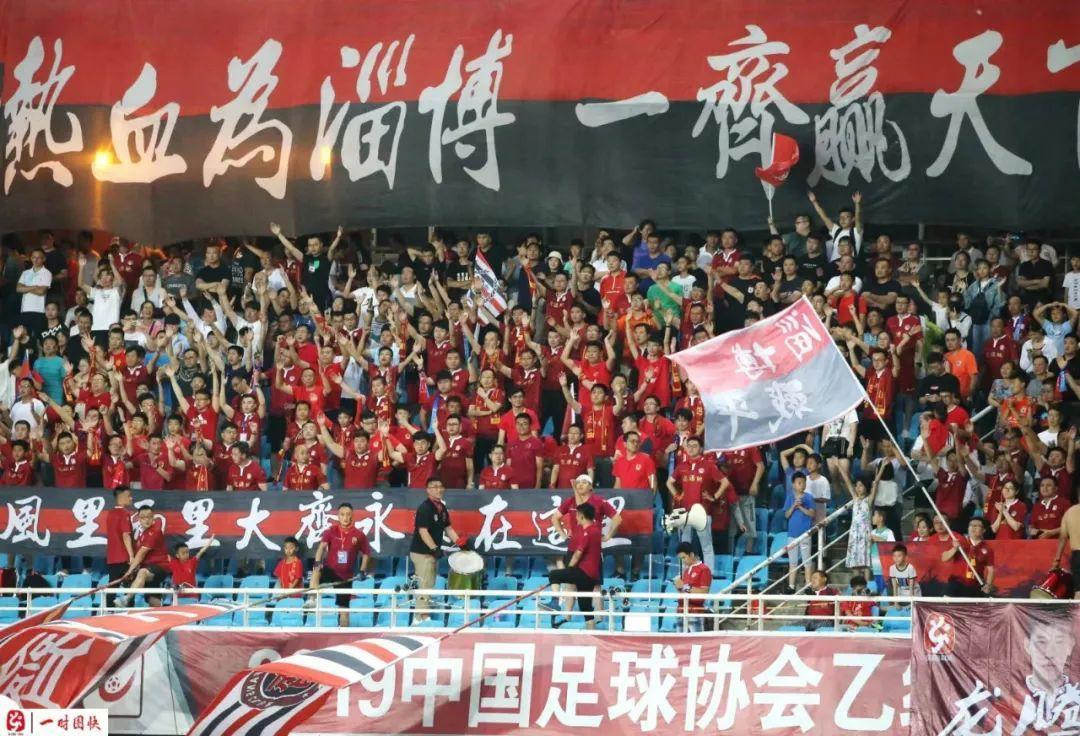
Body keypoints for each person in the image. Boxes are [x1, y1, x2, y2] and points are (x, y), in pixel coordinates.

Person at [409, 478, 465, 622]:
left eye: (440, 486)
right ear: (428, 490)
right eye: (434, 487)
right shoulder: (424, 508)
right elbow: (423, 531)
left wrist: (460, 543)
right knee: (425, 584)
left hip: (432, 553)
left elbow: (448, 528)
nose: (438, 489)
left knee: (429, 583)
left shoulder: (442, 508)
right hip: (422, 552)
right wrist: (434, 548)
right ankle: (421, 617)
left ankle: (421, 615)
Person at [310, 502, 372, 626]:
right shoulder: (331, 531)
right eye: (342, 514)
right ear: (338, 516)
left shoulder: (359, 535)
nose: (345, 517)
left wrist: (362, 570)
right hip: (331, 570)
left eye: (348, 514)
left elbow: (367, 553)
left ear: (352, 516)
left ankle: (344, 632)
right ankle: (312, 599)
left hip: (346, 577)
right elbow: (321, 547)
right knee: (316, 569)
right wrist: (317, 561)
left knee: (344, 610)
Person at [547, 503, 603, 629]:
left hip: (584, 573)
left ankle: (555, 602)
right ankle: (592, 632)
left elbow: (577, 553)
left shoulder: (588, 532)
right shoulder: (596, 530)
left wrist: (569, 569)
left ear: (582, 516)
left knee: (554, 575)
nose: (576, 517)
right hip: (592, 575)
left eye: (577, 515)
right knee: (585, 606)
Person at [120, 506, 170, 607]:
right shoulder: (142, 533)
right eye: (143, 517)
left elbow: (141, 554)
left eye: (149, 517)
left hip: (160, 567)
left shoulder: (155, 531)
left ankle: (126, 599)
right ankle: (162, 614)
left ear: (153, 518)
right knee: (153, 599)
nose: (146, 520)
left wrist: (130, 571)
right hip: (148, 569)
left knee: (141, 573)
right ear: (139, 519)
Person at [941, 517, 994, 597]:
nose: (973, 527)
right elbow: (944, 558)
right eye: (971, 525)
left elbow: (991, 570)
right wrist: (954, 548)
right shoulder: (959, 541)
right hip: (956, 583)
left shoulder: (987, 549)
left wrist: (988, 585)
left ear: (983, 530)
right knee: (946, 602)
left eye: (976, 525)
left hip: (975, 585)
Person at [783, 472, 816, 593]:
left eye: (804, 483)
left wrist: (801, 507)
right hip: (792, 534)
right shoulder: (789, 497)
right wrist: (794, 506)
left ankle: (808, 586)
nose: (802, 485)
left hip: (805, 534)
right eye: (799, 483)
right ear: (793, 484)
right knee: (793, 562)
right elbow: (786, 515)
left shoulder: (809, 497)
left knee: (807, 561)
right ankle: (791, 586)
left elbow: (812, 514)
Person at [672, 541, 713, 632]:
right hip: (681, 611)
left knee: (695, 639)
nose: (682, 561)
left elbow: (704, 593)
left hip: (694, 612)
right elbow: (685, 590)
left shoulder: (704, 569)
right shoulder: (686, 571)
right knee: (680, 640)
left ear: (691, 555)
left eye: (684, 557)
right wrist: (679, 587)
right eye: (681, 559)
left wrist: (684, 586)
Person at [168, 537, 214, 601]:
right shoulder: (173, 563)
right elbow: (163, 552)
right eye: (183, 553)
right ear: (177, 555)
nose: (186, 555)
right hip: (177, 597)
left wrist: (208, 544)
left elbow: (200, 552)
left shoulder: (192, 562)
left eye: (187, 552)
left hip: (192, 597)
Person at [1054, 503, 1080, 599]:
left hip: (1077, 556)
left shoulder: (1069, 512)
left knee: (1079, 591)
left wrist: (1057, 560)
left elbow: (1063, 538)